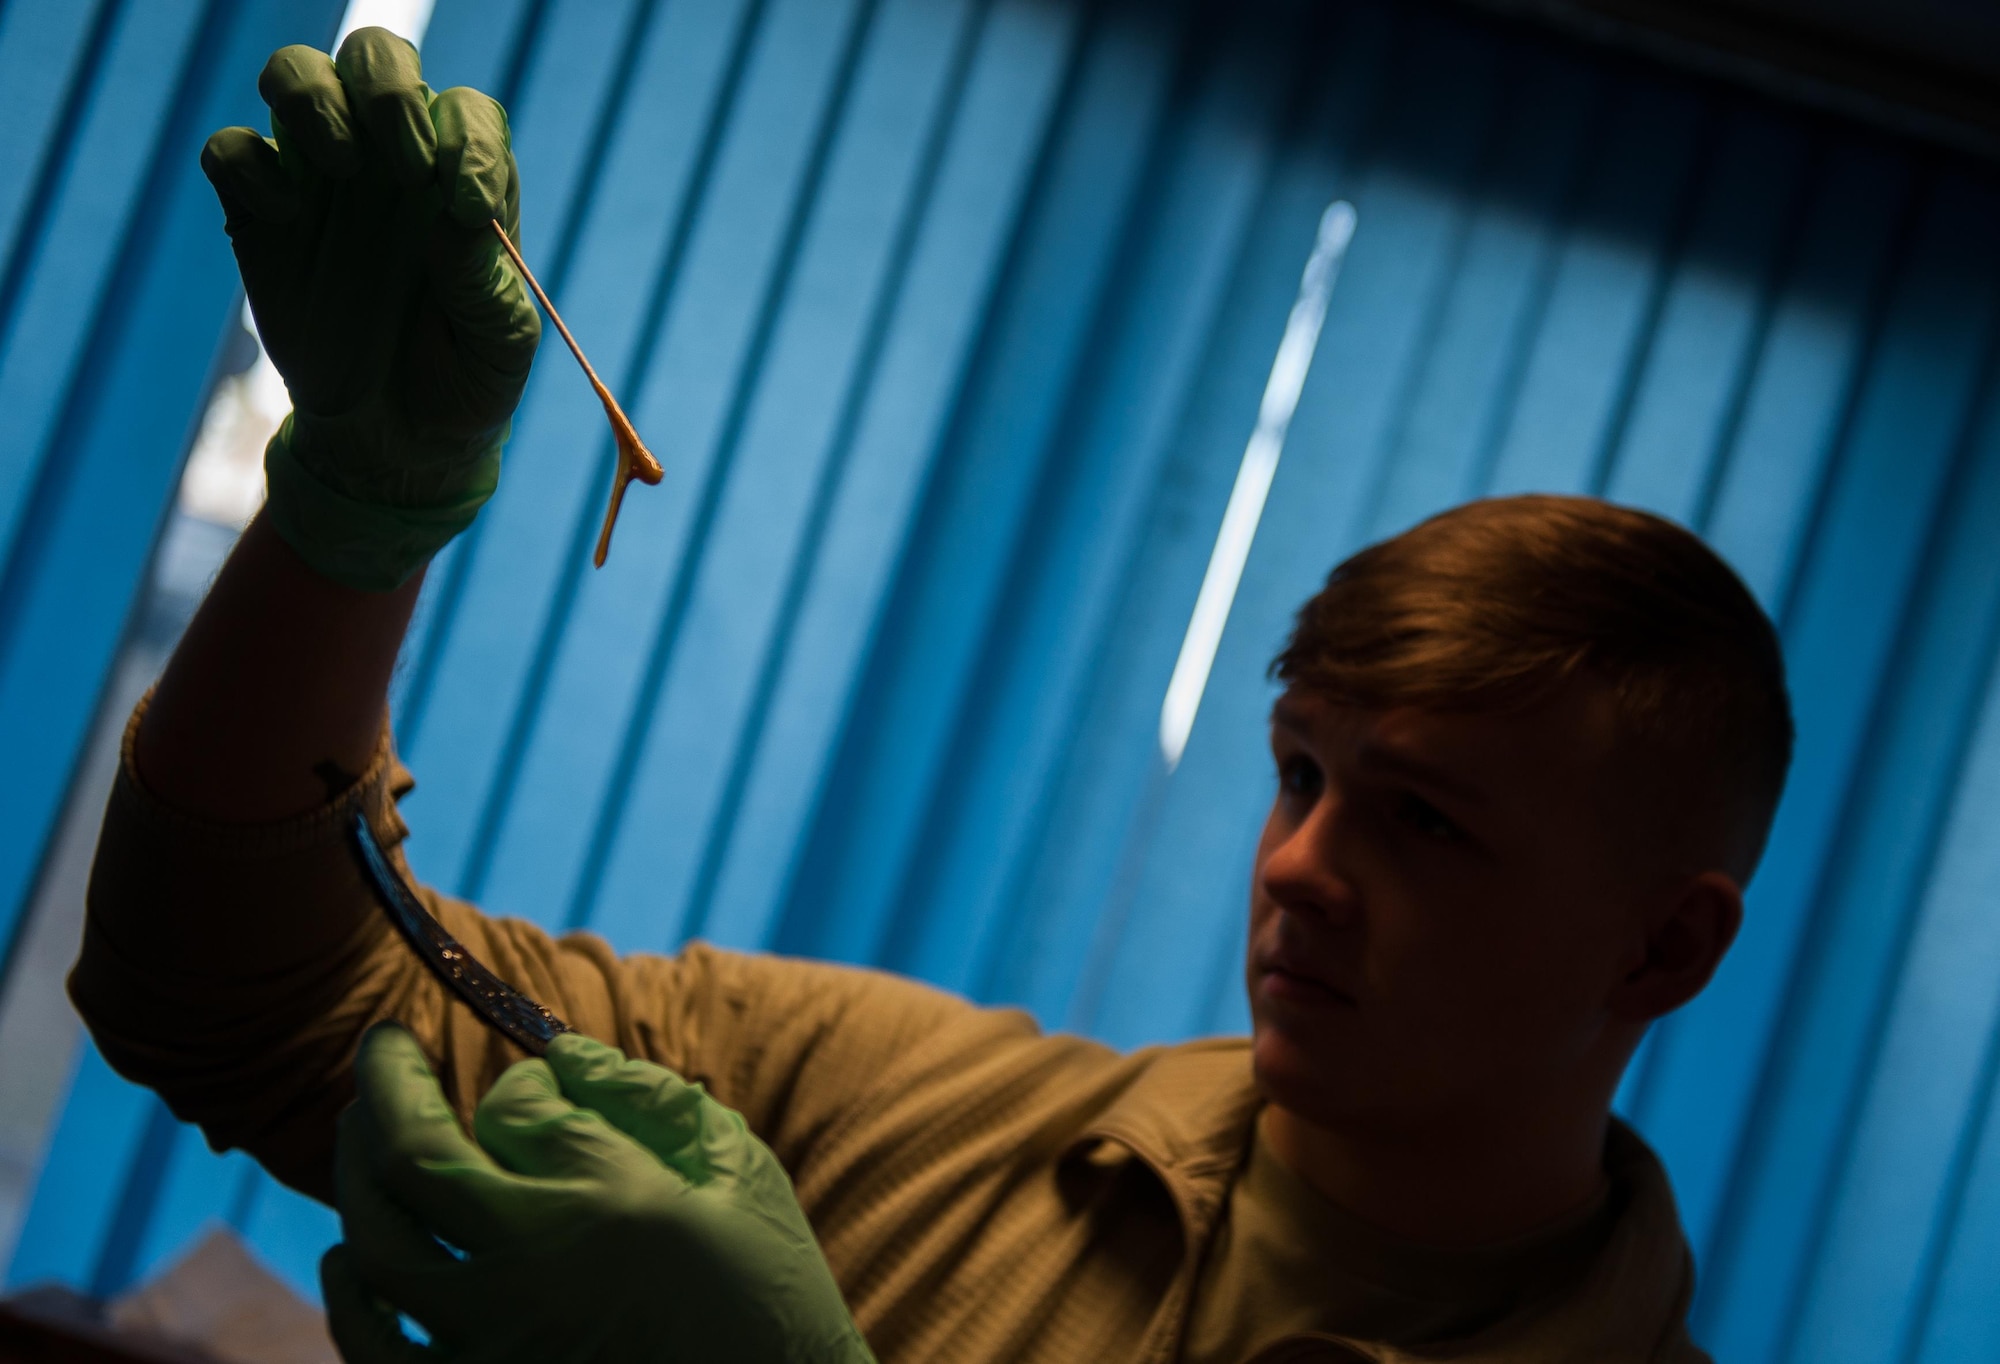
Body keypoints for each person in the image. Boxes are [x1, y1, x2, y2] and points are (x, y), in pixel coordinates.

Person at [70, 26, 1791, 1364]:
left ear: (1665, 951)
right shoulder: (872, 1102)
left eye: (1423, 821)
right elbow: (234, 989)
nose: (1297, 868)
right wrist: (352, 521)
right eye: (1299, 774)